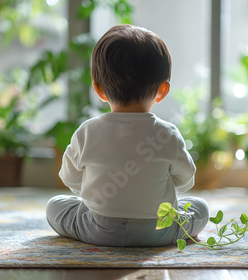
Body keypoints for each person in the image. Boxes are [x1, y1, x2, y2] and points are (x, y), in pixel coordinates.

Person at [46, 24, 209, 247]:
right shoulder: (168, 134)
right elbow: (185, 180)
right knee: (200, 207)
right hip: (159, 231)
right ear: (162, 90)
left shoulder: (86, 131)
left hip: (99, 230)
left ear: (99, 89)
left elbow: (70, 179)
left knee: (55, 205)